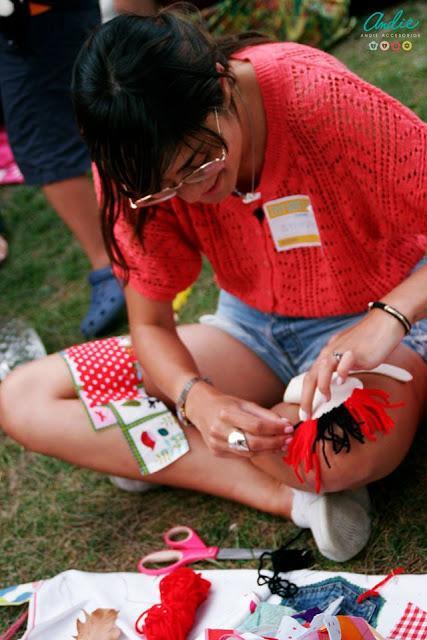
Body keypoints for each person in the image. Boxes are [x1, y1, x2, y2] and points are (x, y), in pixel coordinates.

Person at [0, 9, 426, 561]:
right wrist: (195, 399)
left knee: (336, 453)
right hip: (252, 329)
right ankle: (286, 497)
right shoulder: (131, 168)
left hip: (389, 311)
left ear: (222, 85)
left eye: (201, 164)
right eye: (164, 188)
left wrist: (387, 317)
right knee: (27, 398)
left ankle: (150, 446)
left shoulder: (317, 96)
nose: (193, 194)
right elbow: (150, 324)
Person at [0, 0, 125, 336]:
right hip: (25, 25)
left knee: (49, 137)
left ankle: (114, 262)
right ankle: (117, 257)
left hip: (41, 18)